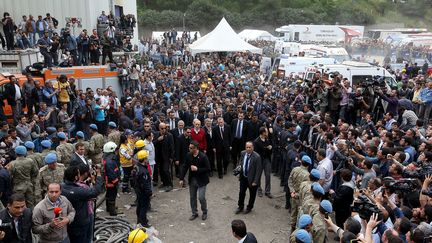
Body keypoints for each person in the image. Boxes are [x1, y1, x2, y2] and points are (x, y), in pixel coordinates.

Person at [61, 165, 103, 243]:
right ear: (76, 177)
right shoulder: (79, 191)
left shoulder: (61, 187)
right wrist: (99, 175)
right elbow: (96, 191)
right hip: (80, 223)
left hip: (68, 222)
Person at [179, 141, 211, 221]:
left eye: (191, 148)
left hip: (202, 180)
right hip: (192, 180)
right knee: (192, 197)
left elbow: (208, 169)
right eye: (189, 147)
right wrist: (181, 178)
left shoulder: (203, 156)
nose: (189, 149)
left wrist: (197, 169)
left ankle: (204, 212)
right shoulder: (188, 155)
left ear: (196, 148)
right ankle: (194, 213)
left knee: (201, 197)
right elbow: (185, 166)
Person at [235, 141, 262, 214]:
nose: (248, 149)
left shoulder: (257, 157)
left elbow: (258, 171)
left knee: (252, 195)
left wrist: (255, 181)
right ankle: (240, 207)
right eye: (247, 147)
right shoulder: (243, 153)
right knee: (241, 193)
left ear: (253, 147)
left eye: (250, 147)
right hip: (243, 177)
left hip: (252, 179)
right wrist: (238, 168)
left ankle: (249, 207)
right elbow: (240, 162)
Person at [288, 155, 312, 231]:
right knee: (299, 215)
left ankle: (292, 229)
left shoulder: (295, 169)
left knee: (293, 213)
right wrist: (296, 195)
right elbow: (304, 189)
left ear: (301, 162)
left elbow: (290, 180)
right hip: (300, 198)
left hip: (293, 195)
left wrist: (292, 192)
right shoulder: (308, 175)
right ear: (308, 164)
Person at [132, 150, 152, 227]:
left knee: (140, 205)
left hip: (138, 191)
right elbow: (145, 184)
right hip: (143, 192)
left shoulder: (136, 167)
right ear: (144, 159)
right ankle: (143, 223)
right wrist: (149, 193)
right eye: (146, 158)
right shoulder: (143, 171)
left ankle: (139, 220)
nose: (147, 159)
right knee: (144, 207)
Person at [154, 123, 175, 192]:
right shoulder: (156, 134)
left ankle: (170, 184)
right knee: (161, 170)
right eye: (162, 128)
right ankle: (164, 182)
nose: (164, 130)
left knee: (166, 170)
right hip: (158, 156)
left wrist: (171, 157)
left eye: (165, 128)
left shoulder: (169, 135)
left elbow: (172, 147)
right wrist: (158, 140)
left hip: (166, 157)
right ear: (159, 128)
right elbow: (152, 144)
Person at [102, 141, 122, 216]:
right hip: (111, 182)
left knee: (109, 194)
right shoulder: (110, 161)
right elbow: (111, 173)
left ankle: (109, 207)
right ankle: (112, 211)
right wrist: (116, 181)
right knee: (112, 195)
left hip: (110, 181)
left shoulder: (108, 158)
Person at [253, 127, 273, 198]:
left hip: (266, 159)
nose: (267, 132)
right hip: (259, 160)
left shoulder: (267, 139)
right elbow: (255, 153)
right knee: (258, 175)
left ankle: (267, 191)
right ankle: (259, 190)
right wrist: (265, 148)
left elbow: (270, 150)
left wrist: (270, 148)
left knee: (268, 175)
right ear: (263, 132)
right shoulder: (256, 141)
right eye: (266, 131)